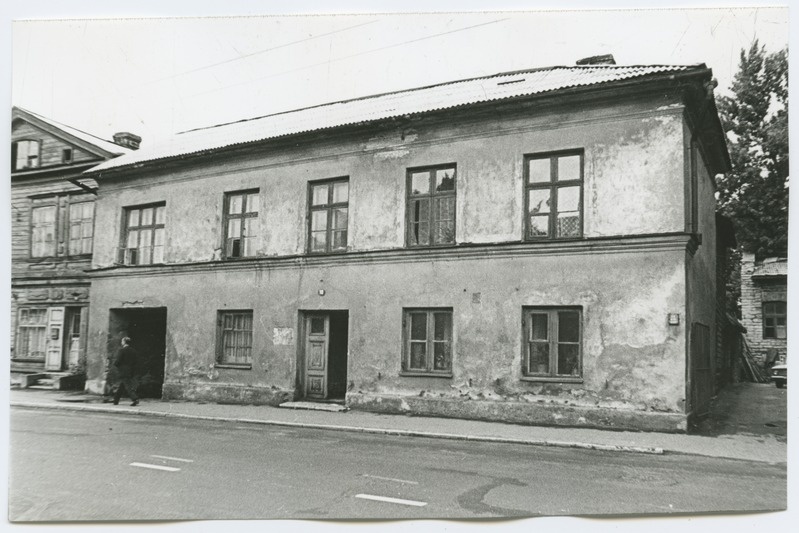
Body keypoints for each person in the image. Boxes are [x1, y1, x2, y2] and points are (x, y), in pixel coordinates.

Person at [113, 336, 141, 406]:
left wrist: (117, 365)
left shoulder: (122, 350)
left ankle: (135, 399)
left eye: (122, 341)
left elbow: (118, 361)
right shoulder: (133, 351)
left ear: (124, 342)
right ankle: (116, 400)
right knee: (122, 386)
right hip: (130, 371)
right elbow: (136, 362)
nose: (121, 342)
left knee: (127, 386)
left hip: (123, 371)